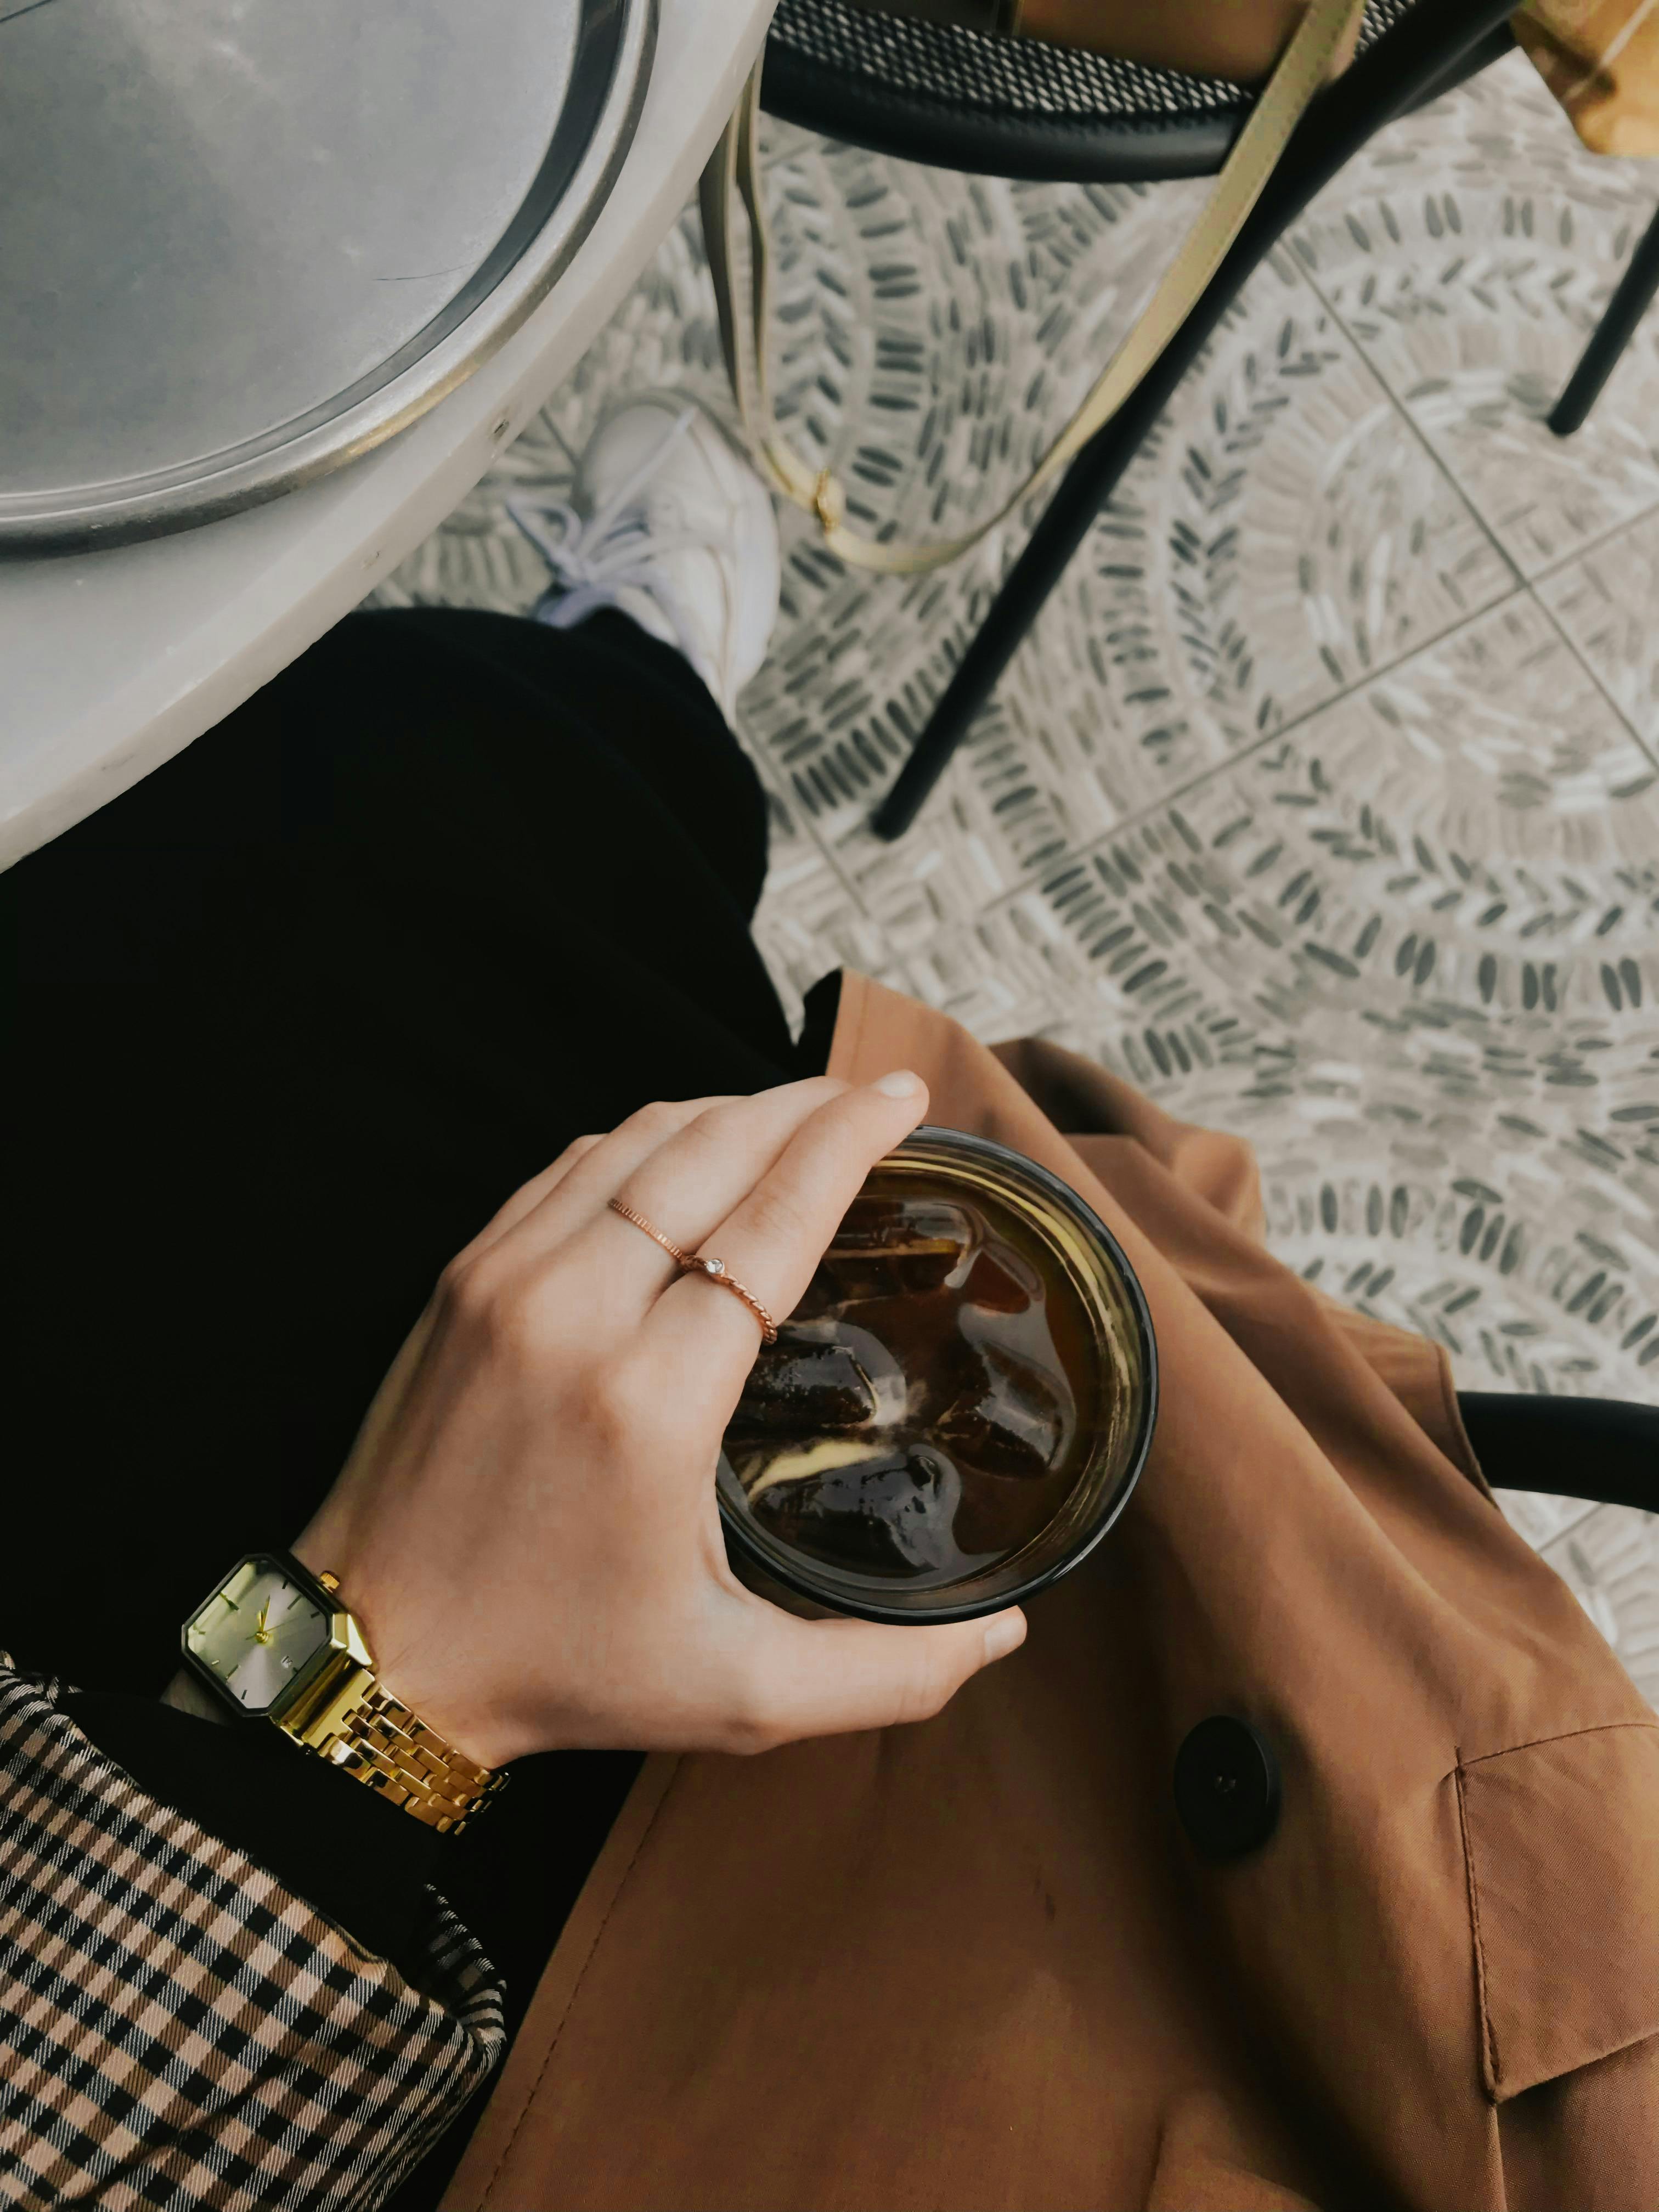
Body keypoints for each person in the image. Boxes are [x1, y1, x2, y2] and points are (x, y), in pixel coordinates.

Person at [2, 400, 1655, 2212]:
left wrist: (357, 1693)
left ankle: (628, 693)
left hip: (442, 2028)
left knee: (345, 828)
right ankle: (639, 688)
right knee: (506, 862)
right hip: (1336, 1880)